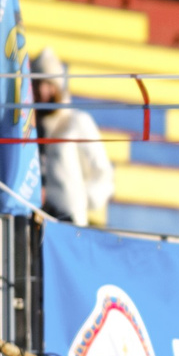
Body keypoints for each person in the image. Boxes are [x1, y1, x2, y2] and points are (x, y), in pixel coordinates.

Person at [31, 47, 115, 227]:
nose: (42, 90)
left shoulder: (77, 122)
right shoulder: (29, 128)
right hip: (36, 220)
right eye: (36, 84)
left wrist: (80, 201)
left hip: (69, 223)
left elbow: (103, 173)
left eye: (47, 83)